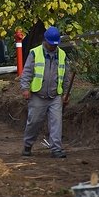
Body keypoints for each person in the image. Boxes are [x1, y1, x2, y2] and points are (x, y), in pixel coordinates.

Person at [19, 26, 69, 158]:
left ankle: (56, 149)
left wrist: (65, 93)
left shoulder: (62, 55)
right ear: (45, 41)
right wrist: (25, 88)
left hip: (55, 96)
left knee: (56, 123)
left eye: (55, 44)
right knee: (34, 122)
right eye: (51, 44)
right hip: (37, 95)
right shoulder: (35, 53)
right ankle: (28, 145)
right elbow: (27, 72)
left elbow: (65, 75)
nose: (53, 47)